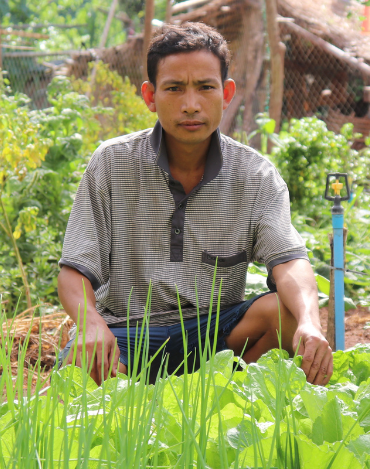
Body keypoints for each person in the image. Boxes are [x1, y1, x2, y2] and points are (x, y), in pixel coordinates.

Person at [56, 22, 332, 385]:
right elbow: (73, 270)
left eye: (205, 87)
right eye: (174, 88)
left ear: (226, 92)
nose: (190, 104)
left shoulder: (255, 175)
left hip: (216, 335)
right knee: (81, 369)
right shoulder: (112, 163)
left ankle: (226, 398)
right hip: (128, 332)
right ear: (150, 96)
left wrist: (311, 323)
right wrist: (90, 324)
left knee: (289, 317)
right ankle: (137, 404)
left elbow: (290, 262)